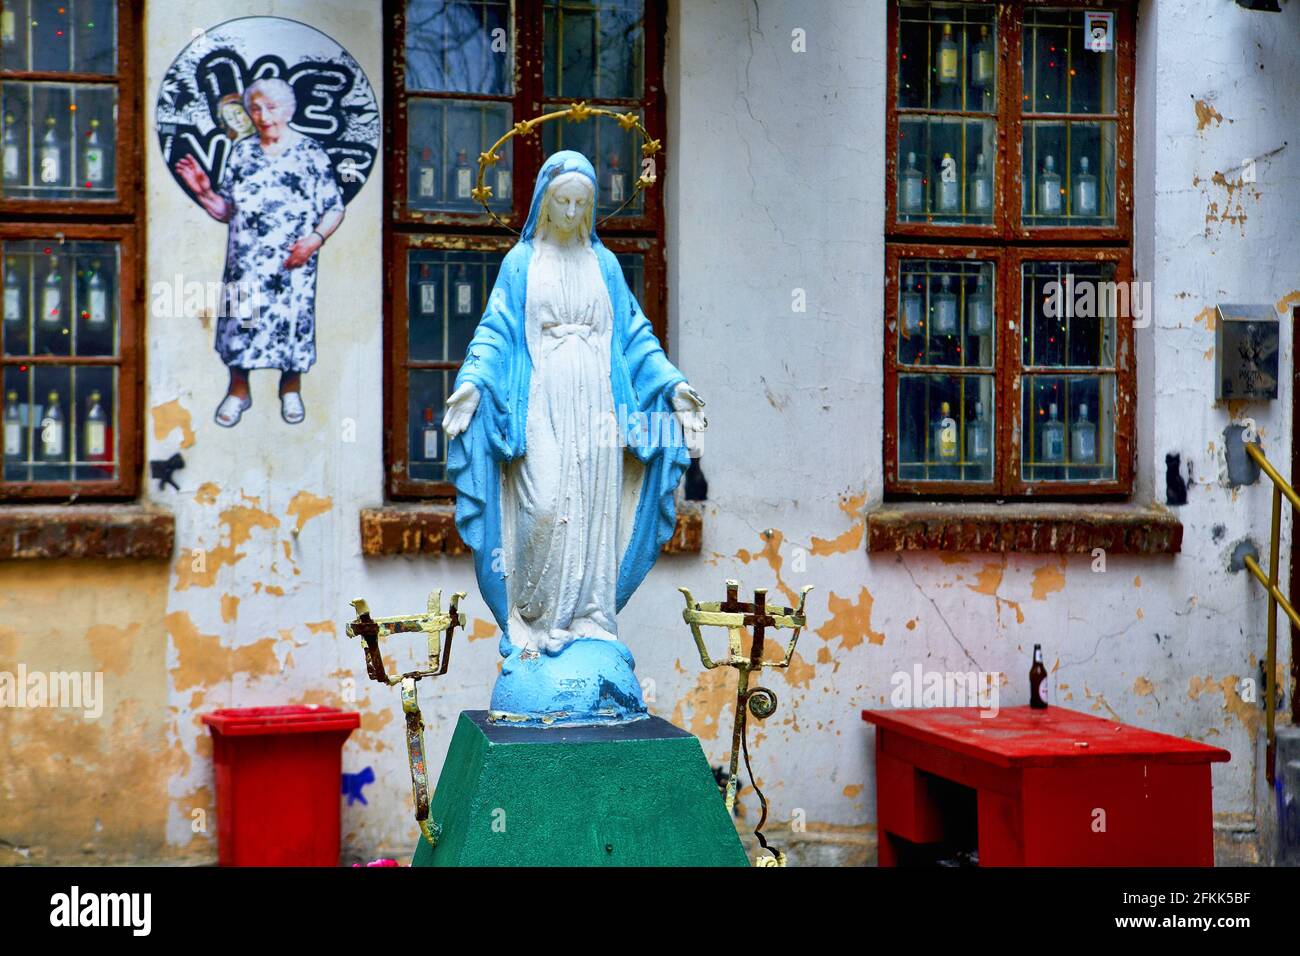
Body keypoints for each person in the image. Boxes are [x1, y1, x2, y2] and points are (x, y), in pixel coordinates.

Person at [442, 150, 705, 724]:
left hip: (599, 403)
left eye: (581, 202)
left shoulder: (604, 267)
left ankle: (590, 619)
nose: (570, 209)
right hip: (541, 396)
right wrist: (471, 384)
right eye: (562, 200)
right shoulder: (521, 263)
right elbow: (496, 331)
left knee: (592, 511)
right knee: (543, 505)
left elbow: (635, 337)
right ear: (544, 202)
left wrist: (674, 386)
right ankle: (535, 623)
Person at [174, 77, 345, 426]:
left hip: (292, 262)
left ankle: (290, 388)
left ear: (288, 109)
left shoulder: (310, 152)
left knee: (292, 322)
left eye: (271, 107)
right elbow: (227, 211)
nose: (263, 115)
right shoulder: (243, 152)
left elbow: (335, 207)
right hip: (246, 261)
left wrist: (314, 240)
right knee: (240, 322)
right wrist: (204, 192)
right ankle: (239, 391)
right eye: (255, 108)